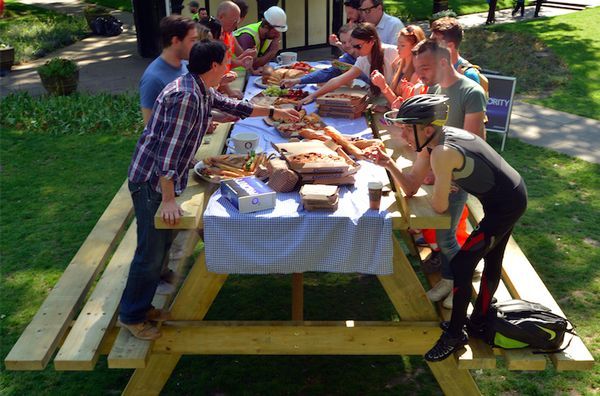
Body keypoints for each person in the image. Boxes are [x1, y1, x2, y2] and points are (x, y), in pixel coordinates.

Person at [119, 40, 301, 341]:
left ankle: (142, 306)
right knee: (150, 253)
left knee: (160, 247)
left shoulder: (198, 86)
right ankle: (132, 316)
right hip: (152, 182)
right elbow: (167, 152)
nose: (230, 65)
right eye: (226, 60)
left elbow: (235, 106)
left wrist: (275, 112)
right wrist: (167, 198)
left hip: (160, 179)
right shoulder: (187, 97)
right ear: (214, 65)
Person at [370, 94, 527, 361]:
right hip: (505, 195)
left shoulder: (442, 152)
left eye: (408, 128)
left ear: (427, 129)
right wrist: (389, 163)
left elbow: (440, 207)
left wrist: (444, 183)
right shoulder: (435, 141)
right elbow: (410, 187)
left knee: (464, 265)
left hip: (507, 204)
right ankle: (477, 322)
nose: (402, 132)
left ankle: (455, 334)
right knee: (489, 261)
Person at [412, 39, 487, 309]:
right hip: (440, 170)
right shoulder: (433, 88)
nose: (420, 74)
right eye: (417, 67)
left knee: (446, 236)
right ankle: (447, 278)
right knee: (443, 231)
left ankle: (463, 284)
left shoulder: (471, 91)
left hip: (460, 174)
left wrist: (451, 177)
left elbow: (473, 141)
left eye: (425, 67)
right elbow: (432, 133)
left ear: (443, 62)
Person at [301, 22, 396, 104]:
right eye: (353, 46)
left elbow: (406, 84)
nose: (355, 50)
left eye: (358, 46)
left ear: (371, 41)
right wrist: (313, 95)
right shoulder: (362, 59)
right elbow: (338, 80)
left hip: (393, 103)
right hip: (379, 102)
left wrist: (388, 104)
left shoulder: (392, 52)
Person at [139, 15, 197, 126]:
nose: (195, 45)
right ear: (175, 41)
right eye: (192, 40)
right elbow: (151, 129)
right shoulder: (153, 79)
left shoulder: (186, 65)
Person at [281, 24, 369, 87]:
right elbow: (327, 73)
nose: (347, 45)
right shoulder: (346, 58)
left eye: (350, 41)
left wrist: (356, 72)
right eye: (343, 42)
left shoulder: (369, 55)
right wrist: (298, 80)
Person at [370, 24, 427, 108]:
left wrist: (383, 86)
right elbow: (394, 98)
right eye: (398, 44)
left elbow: (403, 107)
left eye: (402, 45)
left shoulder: (417, 75)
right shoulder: (398, 63)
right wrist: (386, 108)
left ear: (415, 47)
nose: (397, 48)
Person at [430, 16, 480, 85]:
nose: (429, 45)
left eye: (434, 42)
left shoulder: (468, 75)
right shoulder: (432, 69)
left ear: (450, 46)